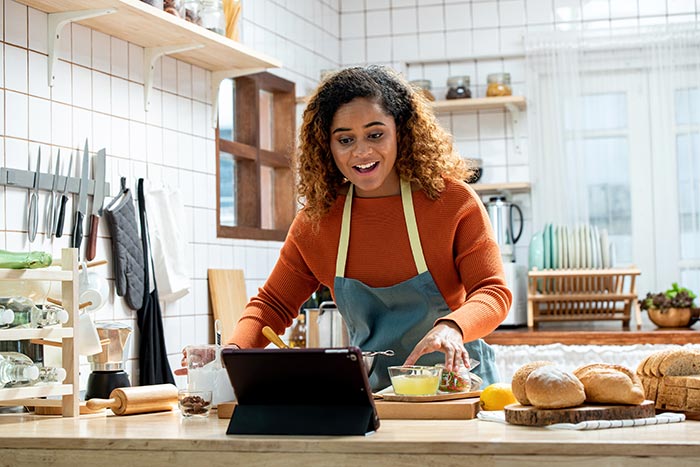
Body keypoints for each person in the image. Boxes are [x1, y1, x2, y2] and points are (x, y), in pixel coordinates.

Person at [222, 65, 511, 390]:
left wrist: (453, 327)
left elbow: (493, 292)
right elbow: (273, 304)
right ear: (326, 146)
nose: (361, 151)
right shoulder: (317, 220)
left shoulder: (452, 202)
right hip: (376, 397)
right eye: (345, 139)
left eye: (375, 134)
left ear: (401, 131)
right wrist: (232, 352)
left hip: (458, 389)